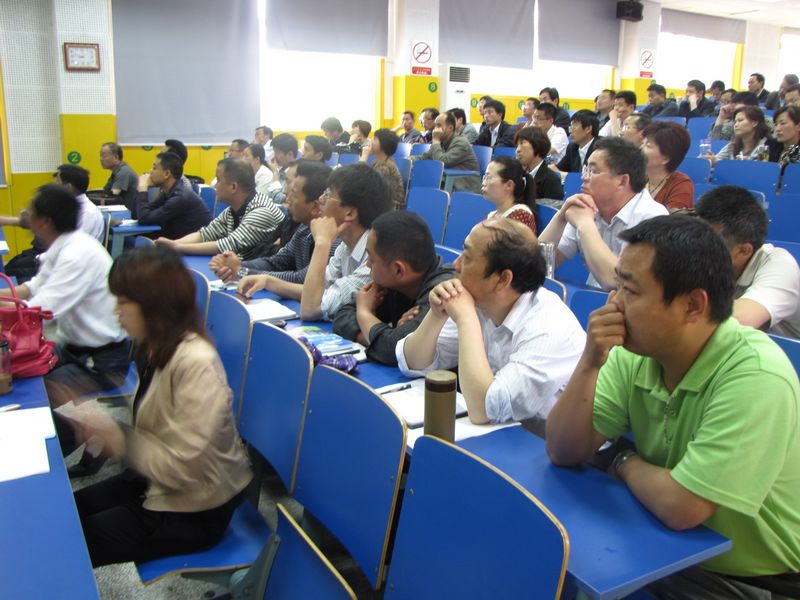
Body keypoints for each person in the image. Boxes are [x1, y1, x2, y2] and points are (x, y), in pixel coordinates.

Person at [546, 215, 800, 599]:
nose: (613, 303)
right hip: (656, 543)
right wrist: (590, 361)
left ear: (693, 305)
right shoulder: (634, 351)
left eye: (630, 291)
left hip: (747, 580)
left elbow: (683, 507)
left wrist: (622, 460)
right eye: (617, 286)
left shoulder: (757, 374)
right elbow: (563, 450)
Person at [73, 245, 252, 567]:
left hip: (196, 509)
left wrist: (119, 440)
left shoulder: (197, 363)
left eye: (123, 302)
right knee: (67, 511)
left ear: (153, 305)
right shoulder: (156, 345)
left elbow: (186, 467)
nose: (117, 311)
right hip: (156, 480)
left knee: (67, 542)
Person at [397, 219, 585, 424]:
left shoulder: (547, 327)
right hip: (507, 433)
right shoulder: (481, 302)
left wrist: (466, 319)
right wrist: (436, 315)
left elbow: (484, 411)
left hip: (546, 439)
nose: (455, 265)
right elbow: (412, 363)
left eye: (467, 257)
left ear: (502, 279)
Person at [0, 185, 129, 408]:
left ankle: (79, 430)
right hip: (73, 348)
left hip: (101, 363)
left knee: (31, 397)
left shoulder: (76, 254)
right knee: (18, 371)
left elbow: (40, 311)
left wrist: (5, 305)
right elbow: (33, 287)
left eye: (30, 211)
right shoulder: (65, 244)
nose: (24, 214)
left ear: (45, 221)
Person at [239, 163, 392, 321]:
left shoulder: (374, 261)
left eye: (328, 194)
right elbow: (316, 292)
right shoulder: (345, 247)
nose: (320, 199)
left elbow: (311, 309)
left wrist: (322, 242)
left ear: (349, 213)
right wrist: (269, 282)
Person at [539, 137, 668, 290]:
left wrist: (585, 225)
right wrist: (560, 217)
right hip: (593, 299)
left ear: (622, 181)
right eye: (585, 169)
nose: (584, 177)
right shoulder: (587, 208)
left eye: (593, 171)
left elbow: (619, 284)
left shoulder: (652, 218)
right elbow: (537, 265)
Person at [333, 211, 455, 366]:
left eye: (371, 259)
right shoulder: (393, 283)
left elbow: (396, 351)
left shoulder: (442, 293)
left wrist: (364, 313)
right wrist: (379, 336)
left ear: (398, 270)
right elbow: (342, 316)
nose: (368, 265)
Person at [696, 185, 800, 339]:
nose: (696, 247)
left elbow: (737, 321)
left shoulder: (780, 265)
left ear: (744, 250)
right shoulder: (705, 261)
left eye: (708, 243)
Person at [210, 161, 335, 284]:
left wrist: (242, 271)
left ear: (315, 206)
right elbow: (276, 262)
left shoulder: (334, 240)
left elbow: (302, 279)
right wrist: (235, 265)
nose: (287, 197)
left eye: (293, 194)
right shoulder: (304, 229)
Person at [155, 158, 284, 260]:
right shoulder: (232, 210)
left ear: (233, 187)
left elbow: (227, 245)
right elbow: (206, 234)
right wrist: (173, 244)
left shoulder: (261, 211)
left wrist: (178, 247)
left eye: (218, 180)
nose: (215, 186)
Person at [135, 152, 211, 240]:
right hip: (179, 240)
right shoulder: (169, 192)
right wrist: (141, 189)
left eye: (154, 168)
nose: (150, 171)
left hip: (197, 244)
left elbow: (144, 219)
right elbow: (141, 215)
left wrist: (143, 188)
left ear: (166, 174)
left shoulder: (180, 197)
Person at [418, 111, 481, 193]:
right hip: (448, 182)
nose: (435, 130)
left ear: (450, 128)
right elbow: (425, 157)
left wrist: (436, 140)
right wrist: (409, 160)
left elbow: (442, 162)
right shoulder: (442, 141)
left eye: (439, 125)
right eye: (435, 125)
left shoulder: (461, 142)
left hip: (465, 185)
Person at [640, 121, 694, 211]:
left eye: (648, 145)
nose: (640, 148)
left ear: (665, 158)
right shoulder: (636, 178)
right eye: (642, 143)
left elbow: (672, 219)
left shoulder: (681, 185)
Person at [482, 156, 537, 233]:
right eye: (484, 177)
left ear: (509, 185)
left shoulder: (521, 215)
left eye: (488, 177)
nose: (483, 183)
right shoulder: (492, 215)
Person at [514, 126, 564, 200]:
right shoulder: (516, 176)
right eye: (517, 145)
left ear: (537, 145)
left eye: (522, 143)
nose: (517, 150)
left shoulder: (551, 180)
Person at [362, 128, 406, 210]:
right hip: (379, 202)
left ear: (383, 145)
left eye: (375, 138)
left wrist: (364, 157)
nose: (371, 141)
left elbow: (363, 183)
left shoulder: (386, 167)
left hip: (389, 207)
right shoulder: (376, 162)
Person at [553, 110, 599, 174]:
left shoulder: (601, 148)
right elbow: (558, 168)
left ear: (588, 129)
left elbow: (591, 175)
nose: (570, 131)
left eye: (574, 126)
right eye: (570, 126)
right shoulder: (572, 147)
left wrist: (563, 174)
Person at [99, 142, 139, 214]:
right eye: (100, 156)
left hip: (129, 214)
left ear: (116, 157)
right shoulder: (117, 171)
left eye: (104, 156)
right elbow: (104, 191)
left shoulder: (124, 172)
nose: (101, 159)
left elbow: (112, 196)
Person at [265, 133, 299, 206]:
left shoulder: (297, 173)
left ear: (290, 154)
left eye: (277, 152)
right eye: (274, 152)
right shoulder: (281, 171)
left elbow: (280, 199)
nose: (274, 156)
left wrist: (275, 172)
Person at [766, 105, 800, 173]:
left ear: (798, 126)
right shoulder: (770, 145)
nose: (777, 129)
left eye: (783, 123)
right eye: (776, 124)